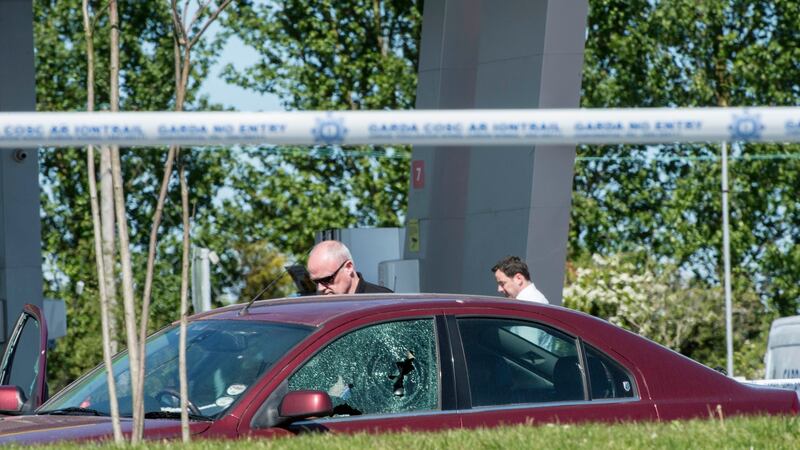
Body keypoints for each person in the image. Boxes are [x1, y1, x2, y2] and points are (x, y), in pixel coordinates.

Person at [307, 240, 393, 295]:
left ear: (348, 267)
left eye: (327, 280)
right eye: (315, 282)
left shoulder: (383, 301)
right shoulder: (319, 307)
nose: (320, 288)